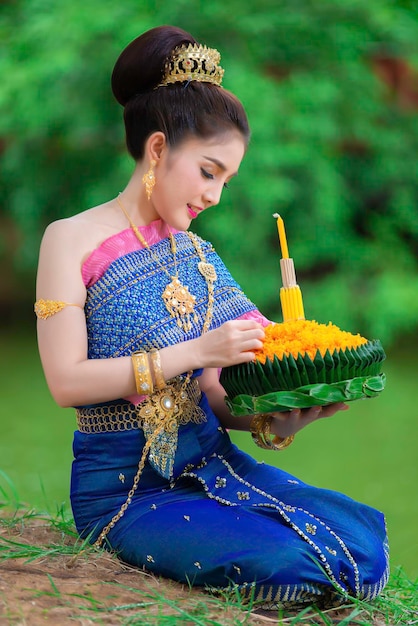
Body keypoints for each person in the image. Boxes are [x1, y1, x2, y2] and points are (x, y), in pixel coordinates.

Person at [35, 25, 389, 611]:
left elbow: (221, 398)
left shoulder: (199, 257)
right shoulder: (69, 241)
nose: (215, 196)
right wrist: (197, 351)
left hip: (213, 463)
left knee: (362, 546)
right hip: (126, 491)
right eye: (209, 171)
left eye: (226, 179)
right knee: (289, 566)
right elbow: (65, 381)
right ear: (156, 150)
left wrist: (282, 421)